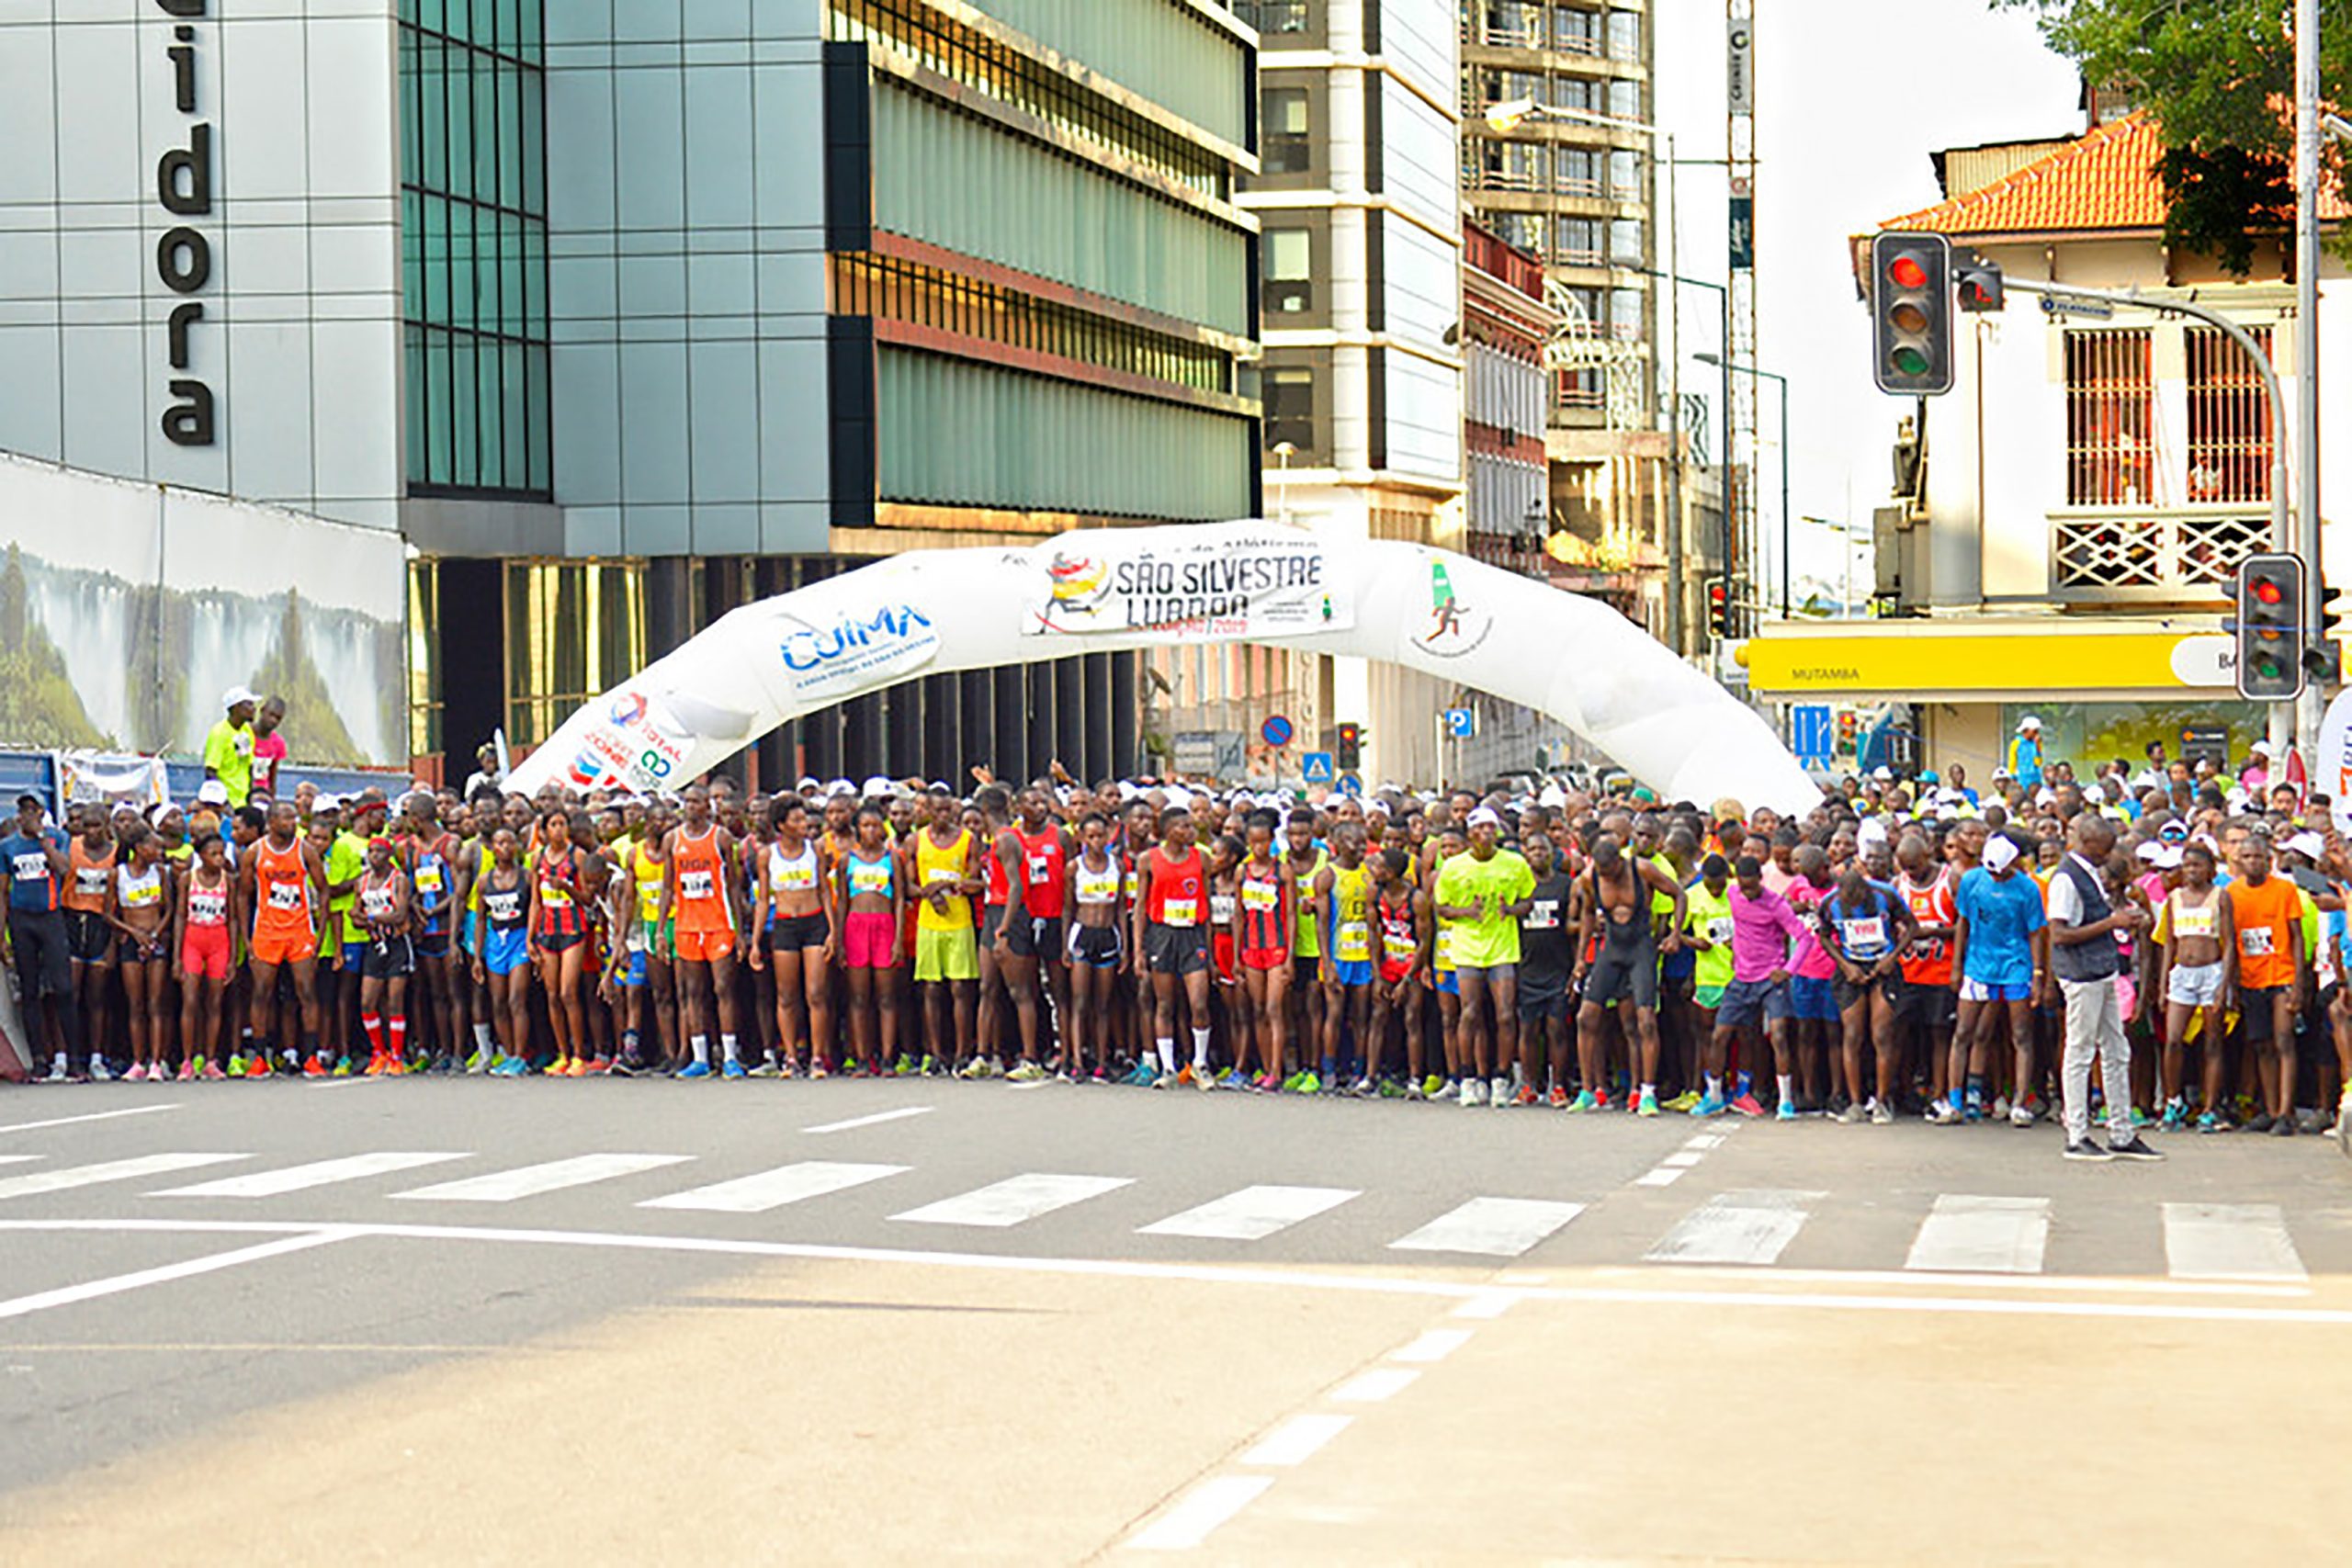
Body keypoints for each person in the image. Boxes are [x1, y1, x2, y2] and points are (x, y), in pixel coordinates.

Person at [2044, 814, 2163, 1160]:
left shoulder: (2090, 874)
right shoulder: (2066, 878)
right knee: (2080, 1051)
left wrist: (2121, 921)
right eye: (2105, 847)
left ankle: (2121, 1132)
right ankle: (2077, 1134)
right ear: (2087, 842)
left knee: (2116, 1049)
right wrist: (2112, 922)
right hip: (2081, 974)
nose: (2109, 854)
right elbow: (2059, 934)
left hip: (2103, 970)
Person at [1570, 830, 1683, 1116]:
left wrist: (1675, 934)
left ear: (1619, 862)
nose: (1607, 878)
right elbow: (1587, 914)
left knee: (1645, 1021)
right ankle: (1587, 1090)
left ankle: (1647, 1092)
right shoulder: (1590, 878)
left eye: (1610, 873)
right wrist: (1581, 958)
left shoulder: (1641, 869)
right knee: (1586, 1017)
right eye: (1602, 873)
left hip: (1640, 949)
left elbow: (1678, 894)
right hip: (1612, 949)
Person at [1940, 831, 2048, 1126]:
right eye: (1991, 871)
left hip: (2015, 966)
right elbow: (1963, 922)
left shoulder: (2027, 889)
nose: (1995, 876)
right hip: (1978, 966)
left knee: (2021, 1035)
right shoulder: (1972, 881)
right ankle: (1955, 1101)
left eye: (2000, 871)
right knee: (1963, 1032)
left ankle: (2020, 1104)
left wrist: (2038, 974)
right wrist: (1957, 966)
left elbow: (2036, 933)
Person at [2223, 829, 2307, 1135]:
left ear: (2269, 860)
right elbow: (2230, 940)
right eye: (2247, 857)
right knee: (2261, 1044)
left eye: (2258, 857)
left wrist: (2299, 983)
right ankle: (2271, 1110)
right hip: (2250, 976)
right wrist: (2231, 984)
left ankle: (2286, 1111)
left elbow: (2297, 936)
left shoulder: (2284, 890)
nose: (2253, 862)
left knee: (2284, 1039)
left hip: (2281, 974)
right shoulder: (2232, 893)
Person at [659, 784, 744, 1079]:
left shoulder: (721, 837)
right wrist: (661, 930)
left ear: (708, 806)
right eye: (687, 802)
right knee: (692, 992)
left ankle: (730, 1057)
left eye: (697, 802)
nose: (691, 807)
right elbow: (667, 887)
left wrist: (740, 931)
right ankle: (700, 1058)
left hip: (718, 924)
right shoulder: (672, 839)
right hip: (686, 925)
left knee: (723, 988)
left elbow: (733, 885)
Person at [1818, 859, 1913, 1124]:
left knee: (1881, 1034)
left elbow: (1912, 926)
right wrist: (1845, 965)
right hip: (1852, 968)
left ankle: (1881, 1101)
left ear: (1865, 890)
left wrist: (1893, 957)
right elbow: (1824, 936)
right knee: (1852, 1035)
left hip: (1883, 966)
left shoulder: (1886, 895)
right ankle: (1855, 1103)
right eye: (1848, 900)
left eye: (1857, 899)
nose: (1853, 903)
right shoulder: (1830, 903)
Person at [747, 795, 832, 1078]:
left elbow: (823, 890)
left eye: (803, 818)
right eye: (796, 820)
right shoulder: (767, 855)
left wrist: (832, 930)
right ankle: (791, 1057)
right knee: (786, 995)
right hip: (784, 924)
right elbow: (763, 900)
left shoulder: (814, 850)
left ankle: (817, 1056)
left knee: (816, 993)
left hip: (814, 922)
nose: (803, 824)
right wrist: (755, 941)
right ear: (781, 825)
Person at [1134, 806, 1215, 1089]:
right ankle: (1168, 1067)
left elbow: (1207, 902)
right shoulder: (1148, 860)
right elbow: (1140, 907)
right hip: (1162, 933)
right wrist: (1138, 950)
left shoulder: (1202, 858)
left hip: (1192, 933)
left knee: (1199, 1002)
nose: (1190, 831)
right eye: (1183, 826)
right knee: (1165, 1003)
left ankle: (1200, 1064)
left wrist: (1209, 949)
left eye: (1191, 826)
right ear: (1168, 830)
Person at [2156, 842, 2230, 1131]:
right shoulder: (2174, 898)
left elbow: (2229, 944)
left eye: (2197, 865)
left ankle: (2209, 1108)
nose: (2191, 871)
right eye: (2187, 866)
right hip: (2182, 973)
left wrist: (2224, 985)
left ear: (2210, 869)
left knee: (2212, 1042)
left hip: (2211, 971)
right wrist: (2163, 982)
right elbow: (2168, 943)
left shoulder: (2219, 897)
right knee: (2174, 1039)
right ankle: (2173, 1101)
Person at [834, 803, 904, 1077]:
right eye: (865, 825)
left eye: (876, 825)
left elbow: (899, 899)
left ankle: (887, 1058)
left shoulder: (892, 858)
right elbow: (842, 901)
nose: (871, 831)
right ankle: (862, 1057)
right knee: (858, 997)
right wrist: (839, 939)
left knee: (886, 997)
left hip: (884, 926)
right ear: (857, 829)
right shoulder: (846, 860)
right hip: (856, 927)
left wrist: (898, 938)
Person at [1062, 811, 1127, 1083]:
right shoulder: (1074, 867)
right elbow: (1068, 908)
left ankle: (1101, 1061)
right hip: (1082, 934)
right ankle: (1078, 1061)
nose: (1096, 842)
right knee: (1080, 1001)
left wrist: (1125, 947)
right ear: (1082, 838)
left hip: (1107, 934)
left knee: (1103, 1003)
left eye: (1101, 836)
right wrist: (1065, 946)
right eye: (1090, 836)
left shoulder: (1117, 866)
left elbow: (1121, 907)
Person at [108, 823, 175, 1082]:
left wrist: (155, 933)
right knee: (135, 1003)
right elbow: (108, 913)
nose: (159, 852)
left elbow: (168, 909)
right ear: (139, 848)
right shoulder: (118, 874)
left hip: (154, 940)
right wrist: (133, 932)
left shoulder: (160, 873)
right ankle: (138, 1061)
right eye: (154, 847)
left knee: (156, 1002)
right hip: (132, 941)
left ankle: (156, 1061)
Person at [174, 829, 239, 1079]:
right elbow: (180, 916)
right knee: (190, 1000)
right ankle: (188, 1059)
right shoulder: (187, 879)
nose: (219, 859)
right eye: (213, 854)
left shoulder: (228, 880)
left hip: (218, 940)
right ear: (200, 856)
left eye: (221, 854)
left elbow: (232, 919)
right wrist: (177, 957)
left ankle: (211, 1059)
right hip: (193, 939)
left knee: (214, 1002)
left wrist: (232, 957)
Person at [472, 829, 533, 1075]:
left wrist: (532, 941)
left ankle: (520, 1056)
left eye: (509, 842)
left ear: (517, 846)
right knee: (498, 1002)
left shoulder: (526, 877)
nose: (505, 847)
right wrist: (478, 956)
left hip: (520, 939)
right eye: (500, 843)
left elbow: (535, 909)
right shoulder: (484, 881)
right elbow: (480, 919)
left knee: (516, 999)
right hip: (497, 942)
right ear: (492, 848)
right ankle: (508, 1054)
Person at [356, 836, 417, 1077]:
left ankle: (397, 1056)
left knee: (395, 1001)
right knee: (367, 1001)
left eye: (379, 852)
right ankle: (379, 1052)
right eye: (371, 851)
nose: (374, 856)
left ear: (389, 855)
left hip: (397, 944)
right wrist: (365, 919)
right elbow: (356, 913)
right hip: (375, 944)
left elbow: (400, 915)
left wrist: (371, 918)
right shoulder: (362, 881)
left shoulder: (398, 880)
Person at [203, 686, 260, 808]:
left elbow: (249, 766)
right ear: (236, 707)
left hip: (243, 801)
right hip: (226, 803)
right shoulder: (219, 733)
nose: (254, 709)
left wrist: (250, 796)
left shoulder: (247, 731)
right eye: (249, 704)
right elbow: (211, 771)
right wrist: (223, 802)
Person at [250, 695, 288, 800]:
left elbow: (272, 776)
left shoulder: (278, 743)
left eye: (278, 718)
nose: (273, 721)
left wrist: (272, 797)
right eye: (271, 715)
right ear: (262, 710)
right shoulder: (246, 734)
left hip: (262, 793)